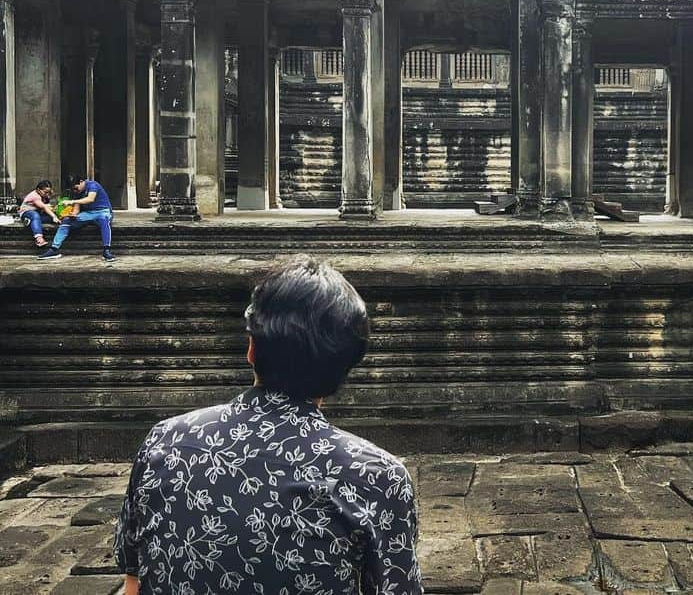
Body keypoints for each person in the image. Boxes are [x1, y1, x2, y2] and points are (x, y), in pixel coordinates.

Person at [114, 256, 422, 595]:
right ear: (346, 367)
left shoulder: (165, 442)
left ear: (251, 347)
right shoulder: (377, 478)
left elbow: (134, 582)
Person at [37, 175, 115, 261]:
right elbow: (77, 208)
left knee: (104, 221)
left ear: (81, 182)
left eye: (76, 188)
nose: (75, 190)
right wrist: (73, 214)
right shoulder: (77, 192)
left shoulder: (93, 185)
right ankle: (54, 249)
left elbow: (90, 199)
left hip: (102, 211)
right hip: (87, 214)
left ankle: (106, 250)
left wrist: (71, 201)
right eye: (73, 189)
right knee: (66, 221)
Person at [18, 180, 60, 247]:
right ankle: (39, 239)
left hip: (37, 214)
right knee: (35, 215)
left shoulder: (44, 195)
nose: (47, 194)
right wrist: (54, 216)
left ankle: (30, 222)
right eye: (45, 192)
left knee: (51, 218)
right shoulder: (35, 196)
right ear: (38, 190)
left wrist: (56, 216)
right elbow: (44, 207)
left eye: (49, 192)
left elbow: (47, 205)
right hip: (27, 213)